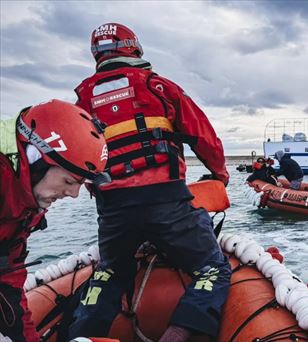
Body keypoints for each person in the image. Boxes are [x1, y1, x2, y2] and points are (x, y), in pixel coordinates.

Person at [69, 23, 231, 342]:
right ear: (134, 48)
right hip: (167, 203)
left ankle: (82, 334)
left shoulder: (82, 101)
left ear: (95, 55)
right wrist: (219, 175)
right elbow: (204, 136)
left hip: (113, 209)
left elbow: (77, 158)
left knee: (110, 272)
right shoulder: (158, 87)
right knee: (213, 269)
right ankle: (178, 332)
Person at [1, 100, 108, 342]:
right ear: (35, 157)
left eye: (80, 185)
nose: (73, 194)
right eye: (69, 182)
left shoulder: (26, 203)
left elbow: (7, 279)